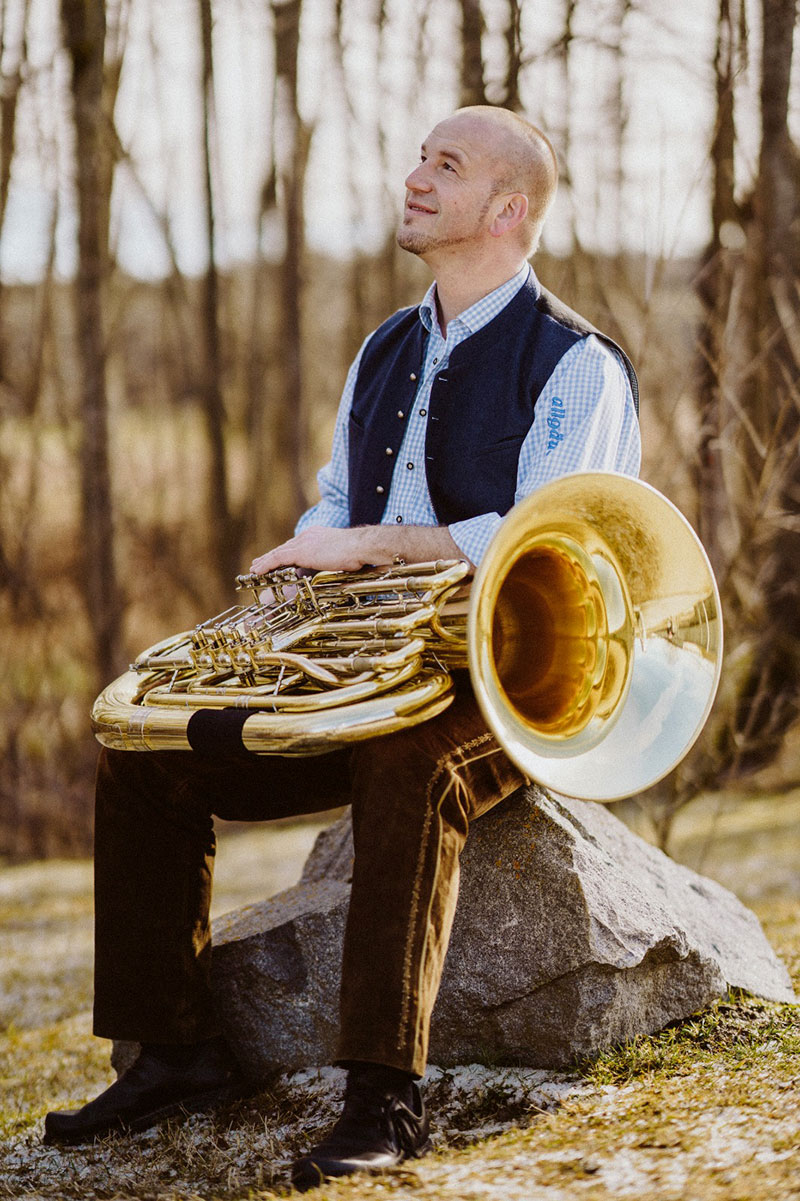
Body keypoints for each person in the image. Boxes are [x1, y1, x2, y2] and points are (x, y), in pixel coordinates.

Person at [44, 106, 641, 1191]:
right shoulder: (382, 348)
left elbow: (542, 532)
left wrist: (366, 542)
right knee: (144, 753)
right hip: (370, 666)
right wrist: (307, 562)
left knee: (404, 765)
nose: (412, 177)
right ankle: (173, 1052)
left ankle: (383, 1095)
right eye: (416, 155)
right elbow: (341, 498)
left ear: (507, 210)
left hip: (510, 681)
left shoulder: (576, 365)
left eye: (443, 165)